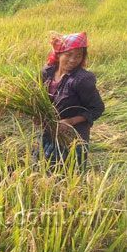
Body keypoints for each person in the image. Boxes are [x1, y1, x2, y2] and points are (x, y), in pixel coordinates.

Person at [38, 32, 104, 168]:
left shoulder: (82, 80)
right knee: (43, 167)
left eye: (78, 56)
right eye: (68, 55)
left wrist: (70, 121)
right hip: (48, 131)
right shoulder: (47, 72)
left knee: (69, 172)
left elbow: (97, 108)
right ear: (58, 55)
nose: (73, 60)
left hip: (73, 138)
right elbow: (38, 96)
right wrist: (37, 113)